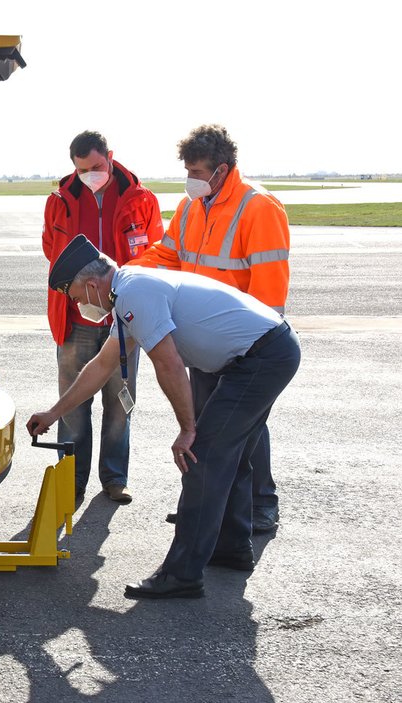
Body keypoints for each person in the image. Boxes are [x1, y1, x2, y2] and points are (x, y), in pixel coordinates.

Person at [28, 235, 300, 598]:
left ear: (92, 284)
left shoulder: (134, 292)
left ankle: (182, 574)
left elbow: (168, 363)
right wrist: (54, 412)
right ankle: (231, 548)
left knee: (200, 457)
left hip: (261, 358)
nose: (77, 304)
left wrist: (188, 430)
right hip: (264, 352)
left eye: (75, 296)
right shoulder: (130, 291)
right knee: (229, 457)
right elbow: (101, 367)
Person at [130, 124, 290, 533]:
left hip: (244, 344)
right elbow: (166, 255)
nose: (191, 179)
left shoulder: (258, 207)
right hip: (203, 342)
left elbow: (270, 289)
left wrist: (254, 348)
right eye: (188, 170)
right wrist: (125, 275)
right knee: (205, 427)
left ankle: (260, 505)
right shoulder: (191, 208)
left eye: (198, 172)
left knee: (246, 429)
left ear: (221, 170)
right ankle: (205, 504)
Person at [41, 131, 163, 505]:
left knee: (120, 401)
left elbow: (155, 252)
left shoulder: (141, 201)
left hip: (125, 317)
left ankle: (114, 478)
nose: (89, 175)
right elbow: (52, 252)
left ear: (109, 156)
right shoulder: (59, 202)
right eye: (81, 170)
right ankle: (71, 482)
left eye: (95, 167)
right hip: (74, 319)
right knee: (73, 403)